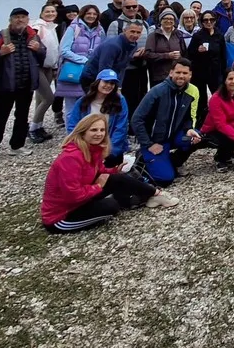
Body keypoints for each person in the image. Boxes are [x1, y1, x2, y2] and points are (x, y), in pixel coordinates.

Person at [40, 114, 177, 234]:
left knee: (118, 178)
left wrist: (114, 171)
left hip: (81, 199)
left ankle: (155, 194)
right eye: (94, 130)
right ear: (82, 132)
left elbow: (100, 172)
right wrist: (98, 187)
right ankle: (133, 198)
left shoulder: (92, 149)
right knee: (111, 206)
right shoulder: (71, 158)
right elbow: (72, 195)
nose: (99, 134)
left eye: (102, 130)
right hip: (61, 217)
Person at [0, 7, 47, 157]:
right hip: (4, 85)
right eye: (17, 17)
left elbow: (41, 58)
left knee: (22, 116)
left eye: (23, 17)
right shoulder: (0, 35)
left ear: (28, 20)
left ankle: (17, 146)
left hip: (26, 84)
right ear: (10, 20)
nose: (20, 20)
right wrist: (1, 53)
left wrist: (39, 50)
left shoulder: (33, 36)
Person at [129, 59, 199, 186]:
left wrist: (189, 129)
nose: (181, 76)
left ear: (190, 75)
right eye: (178, 72)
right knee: (165, 179)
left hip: (172, 137)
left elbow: (187, 118)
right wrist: (149, 144)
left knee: (195, 137)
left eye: (185, 73)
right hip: (154, 141)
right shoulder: (157, 92)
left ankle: (172, 161)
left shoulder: (187, 94)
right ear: (171, 73)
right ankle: (144, 159)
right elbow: (136, 119)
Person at [63, 69, 130, 165]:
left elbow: (121, 128)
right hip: (86, 147)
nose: (109, 85)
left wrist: (110, 151)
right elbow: (73, 126)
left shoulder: (120, 101)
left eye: (112, 83)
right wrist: (81, 147)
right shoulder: (83, 101)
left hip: (110, 147)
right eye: (106, 81)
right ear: (97, 82)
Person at [55, 4, 105, 110]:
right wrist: (83, 60)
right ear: (83, 14)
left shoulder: (100, 30)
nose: (91, 16)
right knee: (71, 107)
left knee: (88, 105)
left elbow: (103, 49)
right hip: (73, 70)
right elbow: (63, 50)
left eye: (94, 14)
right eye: (88, 13)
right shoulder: (74, 28)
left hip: (91, 72)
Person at [200, 68, 234, 172]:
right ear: (224, 81)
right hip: (213, 130)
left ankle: (227, 155)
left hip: (232, 128)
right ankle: (220, 159)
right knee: (227, 139)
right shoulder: (216, 98)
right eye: (230, 79)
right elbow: (220, 124)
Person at [105, 0, 149, 111]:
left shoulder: (144, 24)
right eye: (128, 7)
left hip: (141, 67)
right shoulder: (116, 24)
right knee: (124, 99)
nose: (131, 9)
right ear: (122, 8)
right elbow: (109, 48)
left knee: (141, 97)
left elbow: (149, 42)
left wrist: (146, 49)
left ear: (138, 7)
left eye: (134, 6)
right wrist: (130, 55)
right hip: (124, 69)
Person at [26, 4, 61, 142]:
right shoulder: (38, 27)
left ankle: (38, 126)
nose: (50, 13)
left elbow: (53, 49)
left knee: (40, 99)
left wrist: (55, 66)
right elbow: (31, 44)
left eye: (53, 11)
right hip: (37, 66)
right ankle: (32, 128)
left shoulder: (52, 27)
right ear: (41, 13)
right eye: (47, 11)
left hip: (49, 67)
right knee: (49, 98)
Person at [83, 18, 145, 91]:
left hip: (110, 77)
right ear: (124, 30)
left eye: (138, 32)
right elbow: (104, 68)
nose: (135, 35)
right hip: (93, 78)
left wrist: (119, 87)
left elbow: (122, 68)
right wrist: (108, 87)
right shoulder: (113, 45)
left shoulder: (133, 45)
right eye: (132, 31)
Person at [143, 8, 188, 87]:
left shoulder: (178, 35)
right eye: (165, 18)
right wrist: (167, 55)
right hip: (159, 76)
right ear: (161, 20)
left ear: (174, 21)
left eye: (171, 19)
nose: (168, 21)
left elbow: (184, 53)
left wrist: (180, 57)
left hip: (176, 75)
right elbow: (148, 54)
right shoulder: (154, 36)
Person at [189, 11, 226, 98]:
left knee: (218, 96)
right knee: (200, 97)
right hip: (199, 71)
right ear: (202, 22)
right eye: (206, 20)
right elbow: (190, 53)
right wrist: (197, 50)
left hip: (215, 71)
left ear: (215, 21)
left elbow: (223, 55)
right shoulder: (197, 36)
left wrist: (223, 72)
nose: (209, 22)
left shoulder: (219, 36)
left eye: (211, 20)